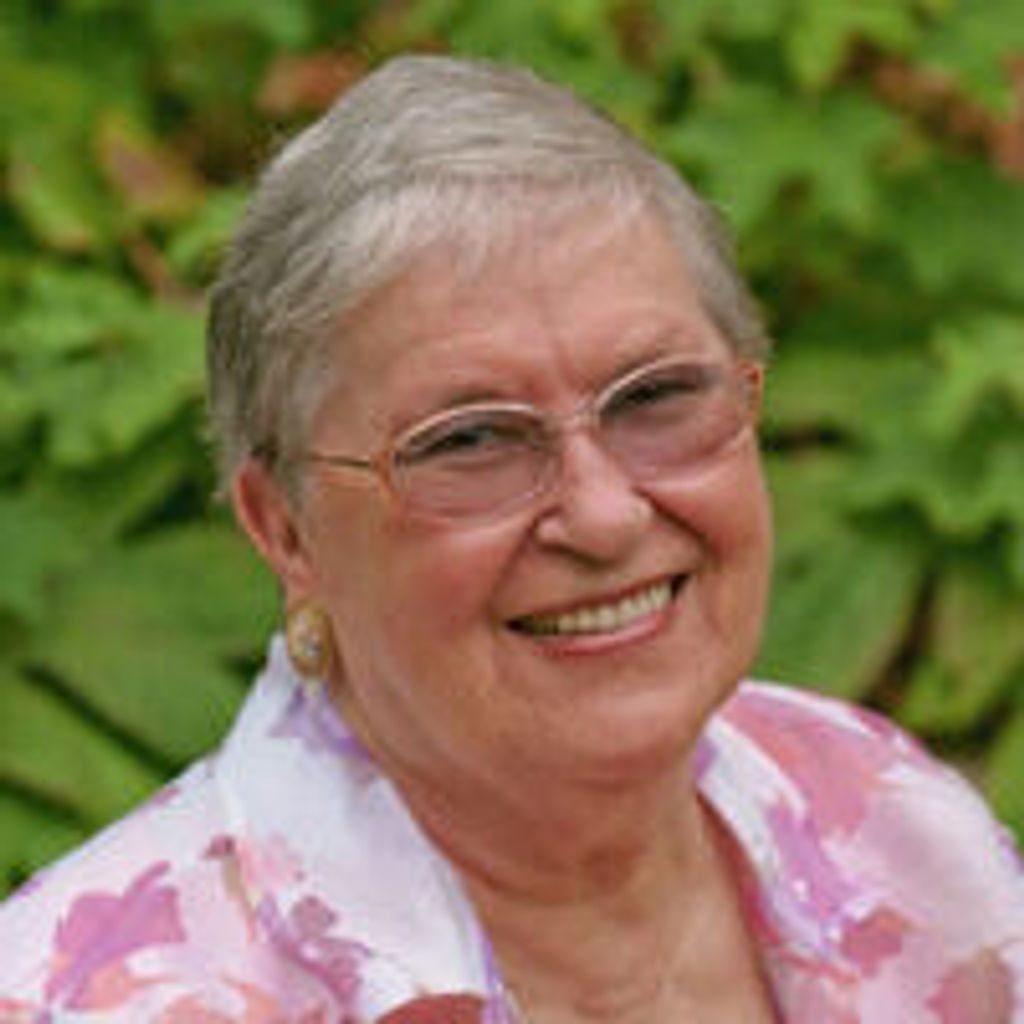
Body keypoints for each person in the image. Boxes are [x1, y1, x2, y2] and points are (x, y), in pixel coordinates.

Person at [1, 54, 1022, 1024]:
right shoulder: (94, 998)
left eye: (656, 396)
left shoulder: (885, 819)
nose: (605, 515)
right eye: (471, 441)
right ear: (285, 529)